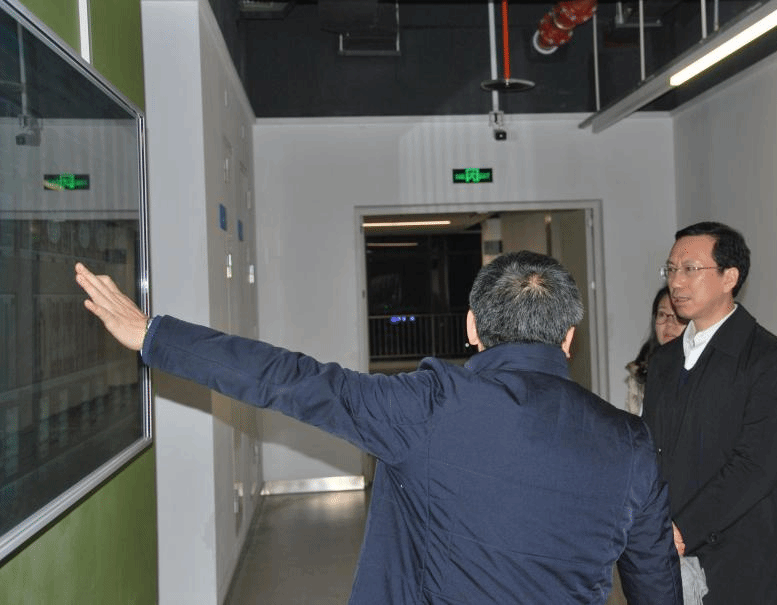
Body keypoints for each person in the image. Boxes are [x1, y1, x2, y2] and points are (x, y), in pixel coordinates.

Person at [74, 252, 684, 605]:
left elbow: (290, 379)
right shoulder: (630, 441)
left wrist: (154, 335)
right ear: (569, 338)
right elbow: (654, 577)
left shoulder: (429, 405)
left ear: (472, 327)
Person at [642, 221, 777, 605]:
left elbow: (756, 466)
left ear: (729, 277)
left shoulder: (769, 359)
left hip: (738, 551)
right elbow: (651, 449)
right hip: (667, 543)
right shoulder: (664, 359)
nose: (676, 282)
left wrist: (684, 528)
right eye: (671, 269)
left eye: (690, 269)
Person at [625, 286, 685, 415]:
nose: (669, 323)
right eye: (662, 314)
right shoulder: (641, 372)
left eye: (678, 316)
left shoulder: (700, 370)